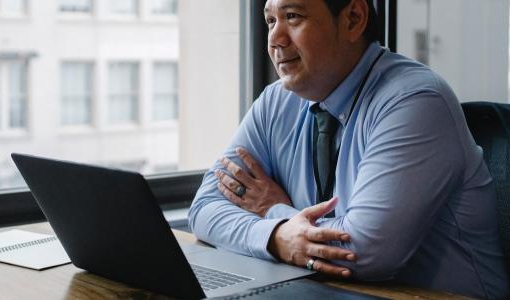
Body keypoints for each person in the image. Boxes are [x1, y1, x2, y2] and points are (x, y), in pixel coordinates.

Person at [187, 0, 509, 298]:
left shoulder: (416, 101)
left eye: (293, 17)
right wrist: (277, 237)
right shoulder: (276, 101)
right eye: (270, 21)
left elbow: (364, 252)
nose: (275, 39)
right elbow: (204, 208)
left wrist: (275, 213)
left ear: (353, 19)